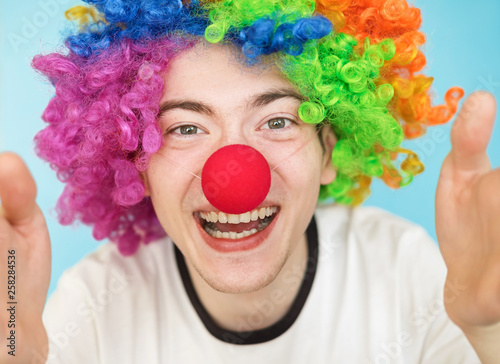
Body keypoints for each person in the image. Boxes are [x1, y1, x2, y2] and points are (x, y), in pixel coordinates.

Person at [0, 0, 499, 363]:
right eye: (186, 128)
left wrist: (490, 338)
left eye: (278, 121)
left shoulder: (405, 269)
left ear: (329, 150)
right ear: (138, 163)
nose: (234, 173)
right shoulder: (95, 302)